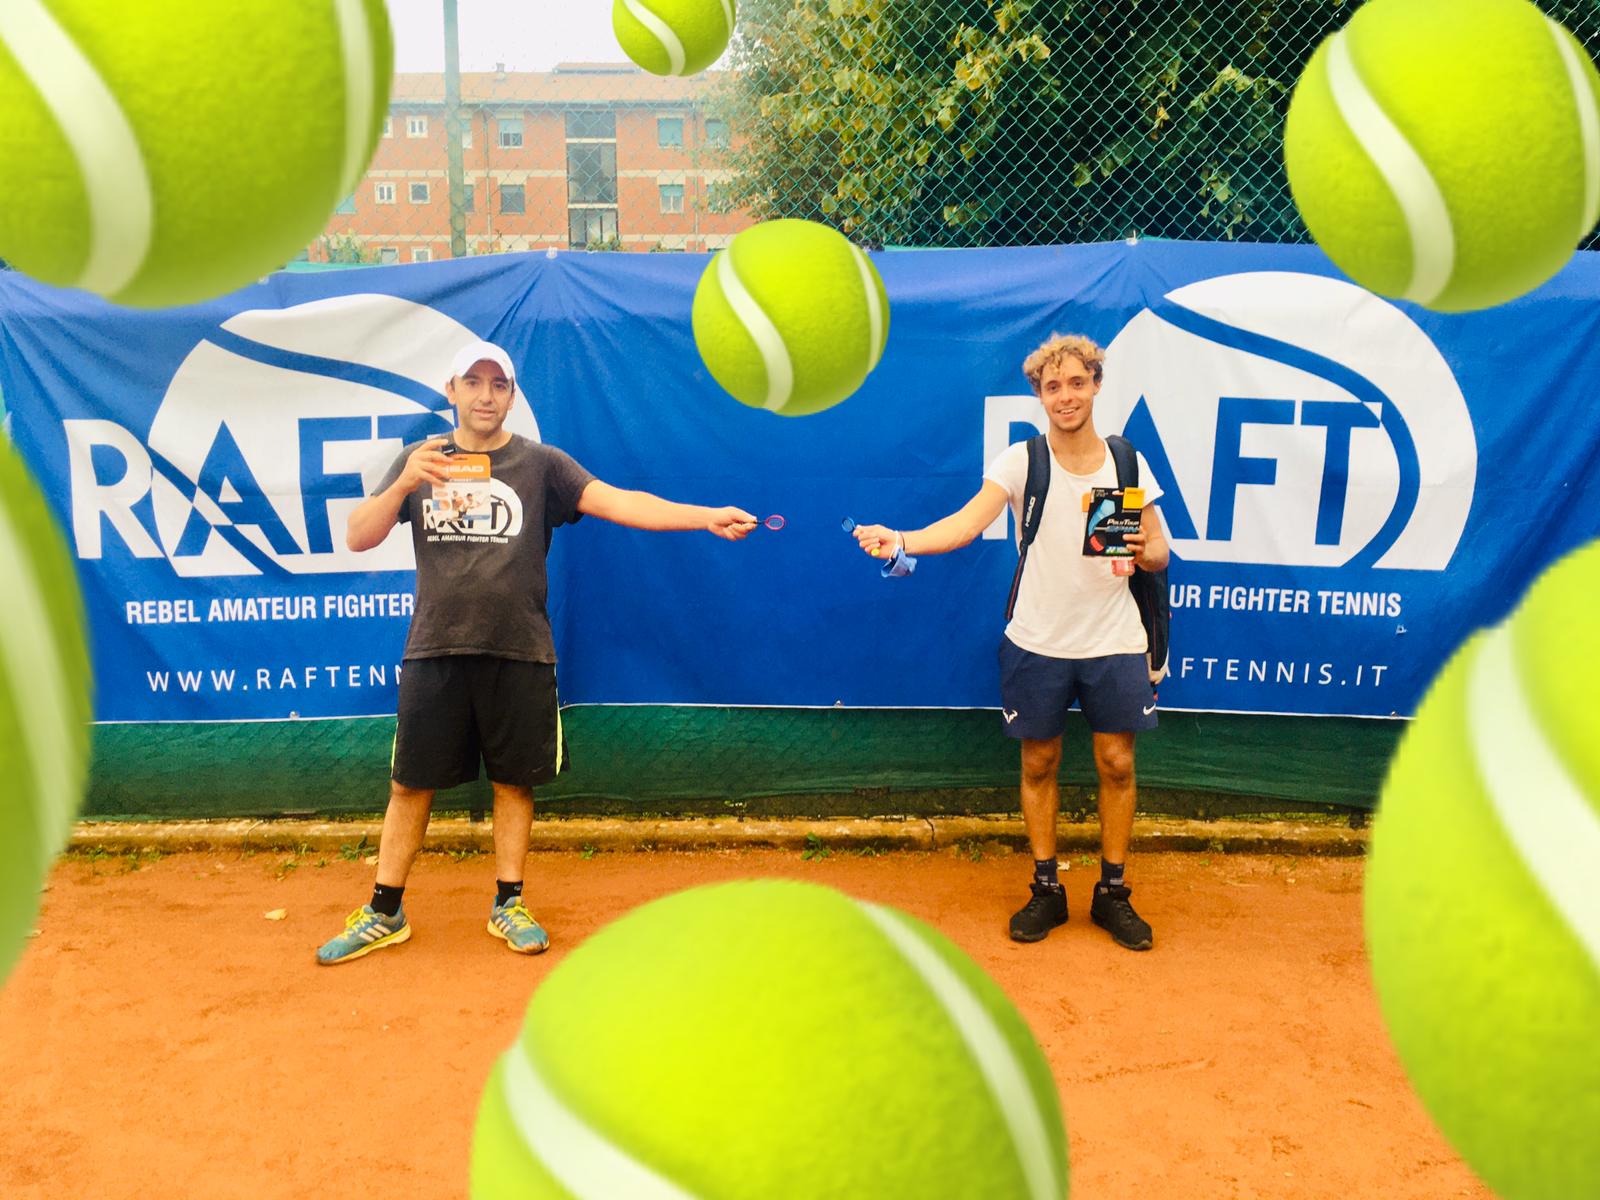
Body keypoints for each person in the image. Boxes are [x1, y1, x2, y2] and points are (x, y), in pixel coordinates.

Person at [317, 340, 757, 964]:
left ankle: (509, 902)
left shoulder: (541, 464)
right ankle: (384, 911)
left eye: (499, 385)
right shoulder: (420, 461)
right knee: (410, 783)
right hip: (434, 650)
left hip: (520, 651)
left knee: (514, 782)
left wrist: (703, 516)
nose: (486, 395)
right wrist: (405, 483)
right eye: (474, 382)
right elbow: (359, 537)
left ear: (513, 396)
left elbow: (621, 501)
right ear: (452, 391)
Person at [851, 333, 1170, 950]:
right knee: (1039, 762)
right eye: (1053, 387)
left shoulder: (1125, 462)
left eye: (1077, 383)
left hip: (1114, 640)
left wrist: (1142, 549)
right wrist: (902, 539)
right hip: (1037, 640)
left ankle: (1112, 893)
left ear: (1096, 385)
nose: (1066, 396)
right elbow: (965, 526)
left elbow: (1159, 548)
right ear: (1039, 396)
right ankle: (1047, 888)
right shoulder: (1023, 461)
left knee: (1118, 763)